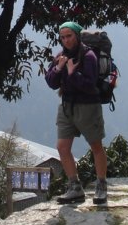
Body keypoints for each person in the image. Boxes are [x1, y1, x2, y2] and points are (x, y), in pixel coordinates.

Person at [45, 21, 108, 205]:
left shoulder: (89, 56)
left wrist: (73, 73)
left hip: (88, 106)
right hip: (66, 107)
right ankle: (75, 187)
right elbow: (51, 82)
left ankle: (101, 186)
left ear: (77, 36)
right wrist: (58, 68)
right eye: (63, 37)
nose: (66, 40)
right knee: (62, 147)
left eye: (69, 36)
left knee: (96, 146)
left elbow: (90, 85)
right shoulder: (60, 56)